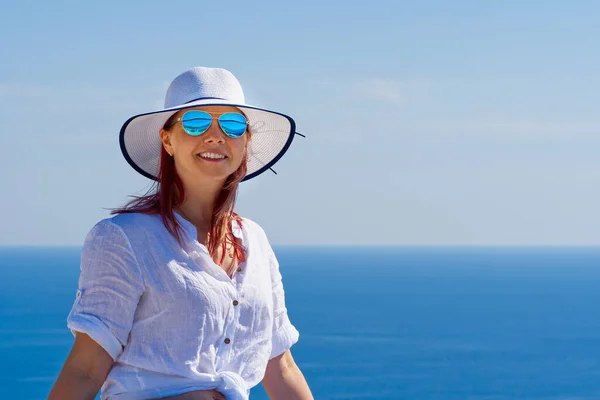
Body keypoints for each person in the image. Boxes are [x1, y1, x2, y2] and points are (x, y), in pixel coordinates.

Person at [48, 67, 313, 400]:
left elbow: (281, 367)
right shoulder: (123, 238)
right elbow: (84, 370)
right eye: (196, 122)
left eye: (231, 124)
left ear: (246, 141)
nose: (215, 136)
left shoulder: (255, 241)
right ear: (167, 140)